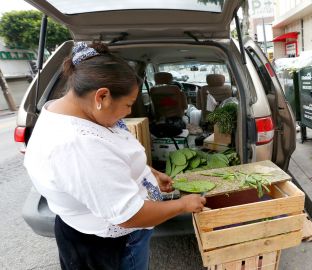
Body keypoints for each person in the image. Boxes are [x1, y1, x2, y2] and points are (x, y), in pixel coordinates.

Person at [23, 42, 206, 270]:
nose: (130, 112)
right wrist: (183, 205)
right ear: (102, 96)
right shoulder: (80, 146)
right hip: (110, 246)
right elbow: (129, 216)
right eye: (128, 104)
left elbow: (114, 155)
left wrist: (150, 173)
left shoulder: (69, 110)